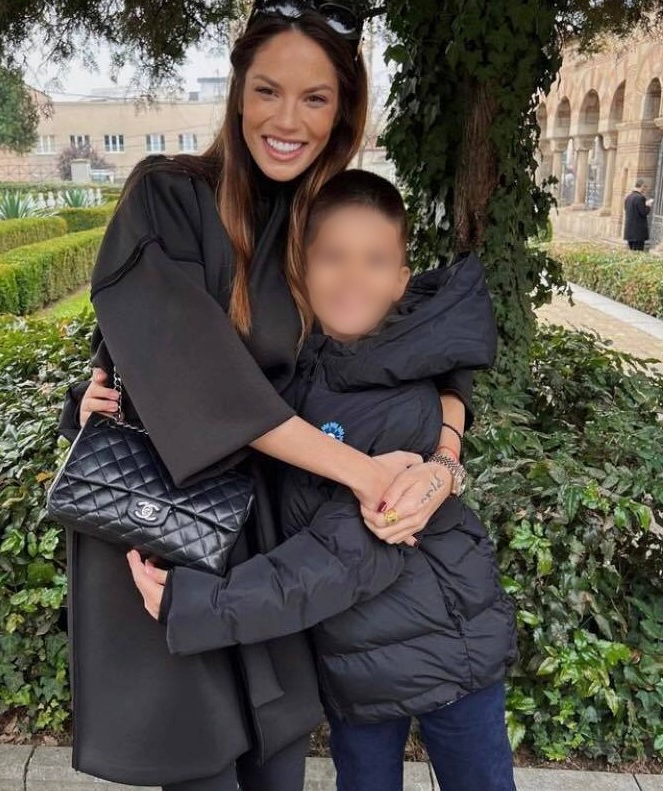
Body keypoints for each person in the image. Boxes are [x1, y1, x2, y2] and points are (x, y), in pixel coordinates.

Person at [56, 3, 477, 790]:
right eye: (267, 90)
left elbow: (423, 337)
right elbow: (200, 379)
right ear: (237, 91)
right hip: (170, 535)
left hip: (274, 545)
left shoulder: (321, 224)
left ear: (342, 111)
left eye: (315, 98)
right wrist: (365, 472)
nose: (288, 120)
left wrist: (444, 457)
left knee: (278, 765)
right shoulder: (165, 198)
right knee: (203, 769)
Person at [144, 169, 518, 791]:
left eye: (374, 261)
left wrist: (205, 606)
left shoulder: (400, 400)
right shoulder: (303, 369)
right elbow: (210, 394)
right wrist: (93, 404)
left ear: (401, 280)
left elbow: (346, 556)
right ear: (302, 267)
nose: (352, 278)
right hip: (354, 667)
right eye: (333, 257)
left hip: (450, 657)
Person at [623, 178, 653, 251]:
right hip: (638, 232)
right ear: (642, 186)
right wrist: (648, 206)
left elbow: (628, 210)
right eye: (645, 187)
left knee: (632, 252)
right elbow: (643, 213)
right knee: (638, 252)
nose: (645, 189)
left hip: (629, 231)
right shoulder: (640, 197)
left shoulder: (628, 197)